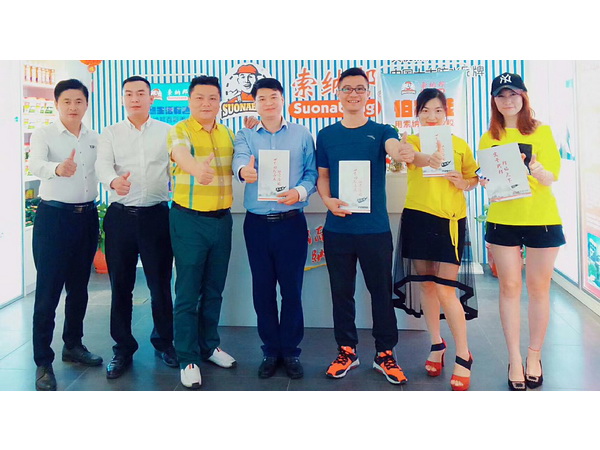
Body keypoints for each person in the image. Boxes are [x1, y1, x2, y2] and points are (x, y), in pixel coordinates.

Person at [316, 67, 408, 385]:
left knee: (381, 293)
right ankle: (346, 351)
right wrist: (327, 200)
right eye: (347, 88)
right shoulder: (326, 135)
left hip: (374, 230)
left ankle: (385, 354)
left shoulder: (382, 131)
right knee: (341, 293)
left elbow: (393, 148)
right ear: (338, 94)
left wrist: (402, 150)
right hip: (338, 229)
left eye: (359, 88)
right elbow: (323, 176)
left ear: (368, 94)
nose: (353, 94)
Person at [479, 72, 565, 390]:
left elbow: (552, 175)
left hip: (541, 218)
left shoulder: (542, 131)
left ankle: (534, 355)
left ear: (523, 97)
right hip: (504, 218)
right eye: (501, 95)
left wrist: (538, 170)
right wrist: (486, 181)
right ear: (494, 101)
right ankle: (514, 358)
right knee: (510, 287)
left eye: (513, 94)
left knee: (539, 288)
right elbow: (487, 177)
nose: (508, 100)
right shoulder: (489, 137)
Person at [392, 88, 479, 391]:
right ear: (417, 114)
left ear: (446, 113)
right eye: (425, 110)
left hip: (450, 220)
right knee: (427, 285)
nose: (432, 116)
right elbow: (410, 158)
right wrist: (420, 155)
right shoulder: (412, 142)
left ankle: (464, 354)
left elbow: (474, 177)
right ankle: (436, 343)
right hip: (418, 217)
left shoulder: (459, 145)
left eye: (438, 110)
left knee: (445, 289)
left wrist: (464, 182)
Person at [233, 78, 317, 379]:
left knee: (292, 290)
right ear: (254, 103)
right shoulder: (245, 134)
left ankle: (291, 351)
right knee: (263, 289)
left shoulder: (301, 134)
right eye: (262, 98)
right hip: (256, 225)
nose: (268, 103)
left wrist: (299, 192)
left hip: (291, 222)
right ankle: (270, 350)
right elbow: (239, 161)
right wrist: (244, 171)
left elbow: (311, 173)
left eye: (273, 97)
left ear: (283, 100)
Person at [96, 76, 177, 379]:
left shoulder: (167, 132)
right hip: (121, 217)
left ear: (150, 97)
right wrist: (113, 181)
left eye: (140, 93)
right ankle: (123, 348)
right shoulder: (111, 133)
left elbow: (177, 166)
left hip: (157, 217)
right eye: (128, 94)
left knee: (160, 285)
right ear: (122, 99)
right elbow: (102, 165)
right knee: (121, 286)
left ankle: (164, 342)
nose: (134, 98)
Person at [29, 79, 102, 391]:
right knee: (47, 293)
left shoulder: (94, 137)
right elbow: (35, 164)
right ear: (57, 104)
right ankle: (43, 362)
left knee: (79, 288)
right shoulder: (44, 134)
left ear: (86, 104)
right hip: (54, 218)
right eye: (67, 101)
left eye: (79, 101)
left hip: (86, 218)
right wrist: (58, 169)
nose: (73, 107)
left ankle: (73, 345)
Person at [168, 76, 237, 389]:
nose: (206, 104)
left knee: (214, 289)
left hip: (222, 221)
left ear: (220, 101)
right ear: (189, 100)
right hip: (189, 220)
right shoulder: (180, 130)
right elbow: (180, 154)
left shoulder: (227, 133)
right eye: (199, 98)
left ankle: (209, 346)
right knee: (187, 292)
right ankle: (187, 357)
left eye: (212, 98)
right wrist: (197, 168)